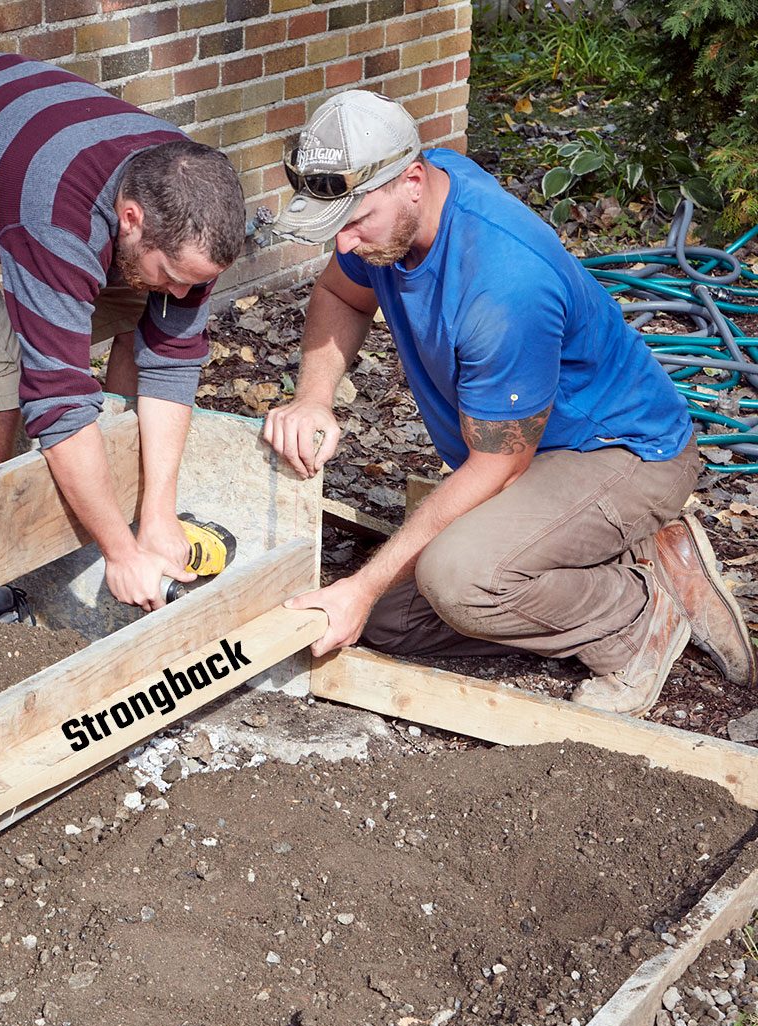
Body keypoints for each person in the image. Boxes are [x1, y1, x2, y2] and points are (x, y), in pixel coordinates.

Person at [263, 90, 756, 715]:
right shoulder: (414, 195)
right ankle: (615, 553)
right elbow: (341, 293)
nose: (345, 246)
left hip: (619, 452)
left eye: (355, 223)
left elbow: (497, 464)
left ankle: (637, 615)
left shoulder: (504, 286)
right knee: (388, 622)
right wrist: (312, 399)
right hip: (528, 451)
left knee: (460, 582)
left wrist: (358, 586)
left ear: (412, 181)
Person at [0, 52, 247, 611]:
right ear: (130, 218)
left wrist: (158, 515)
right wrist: (120, 554)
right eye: (175, 278)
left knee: (145, 314)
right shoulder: (57, 220)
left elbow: (173, 360)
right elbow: (56, 401)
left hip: (4, 151)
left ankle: (130, 509)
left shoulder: (187, 206)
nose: (183, 295)